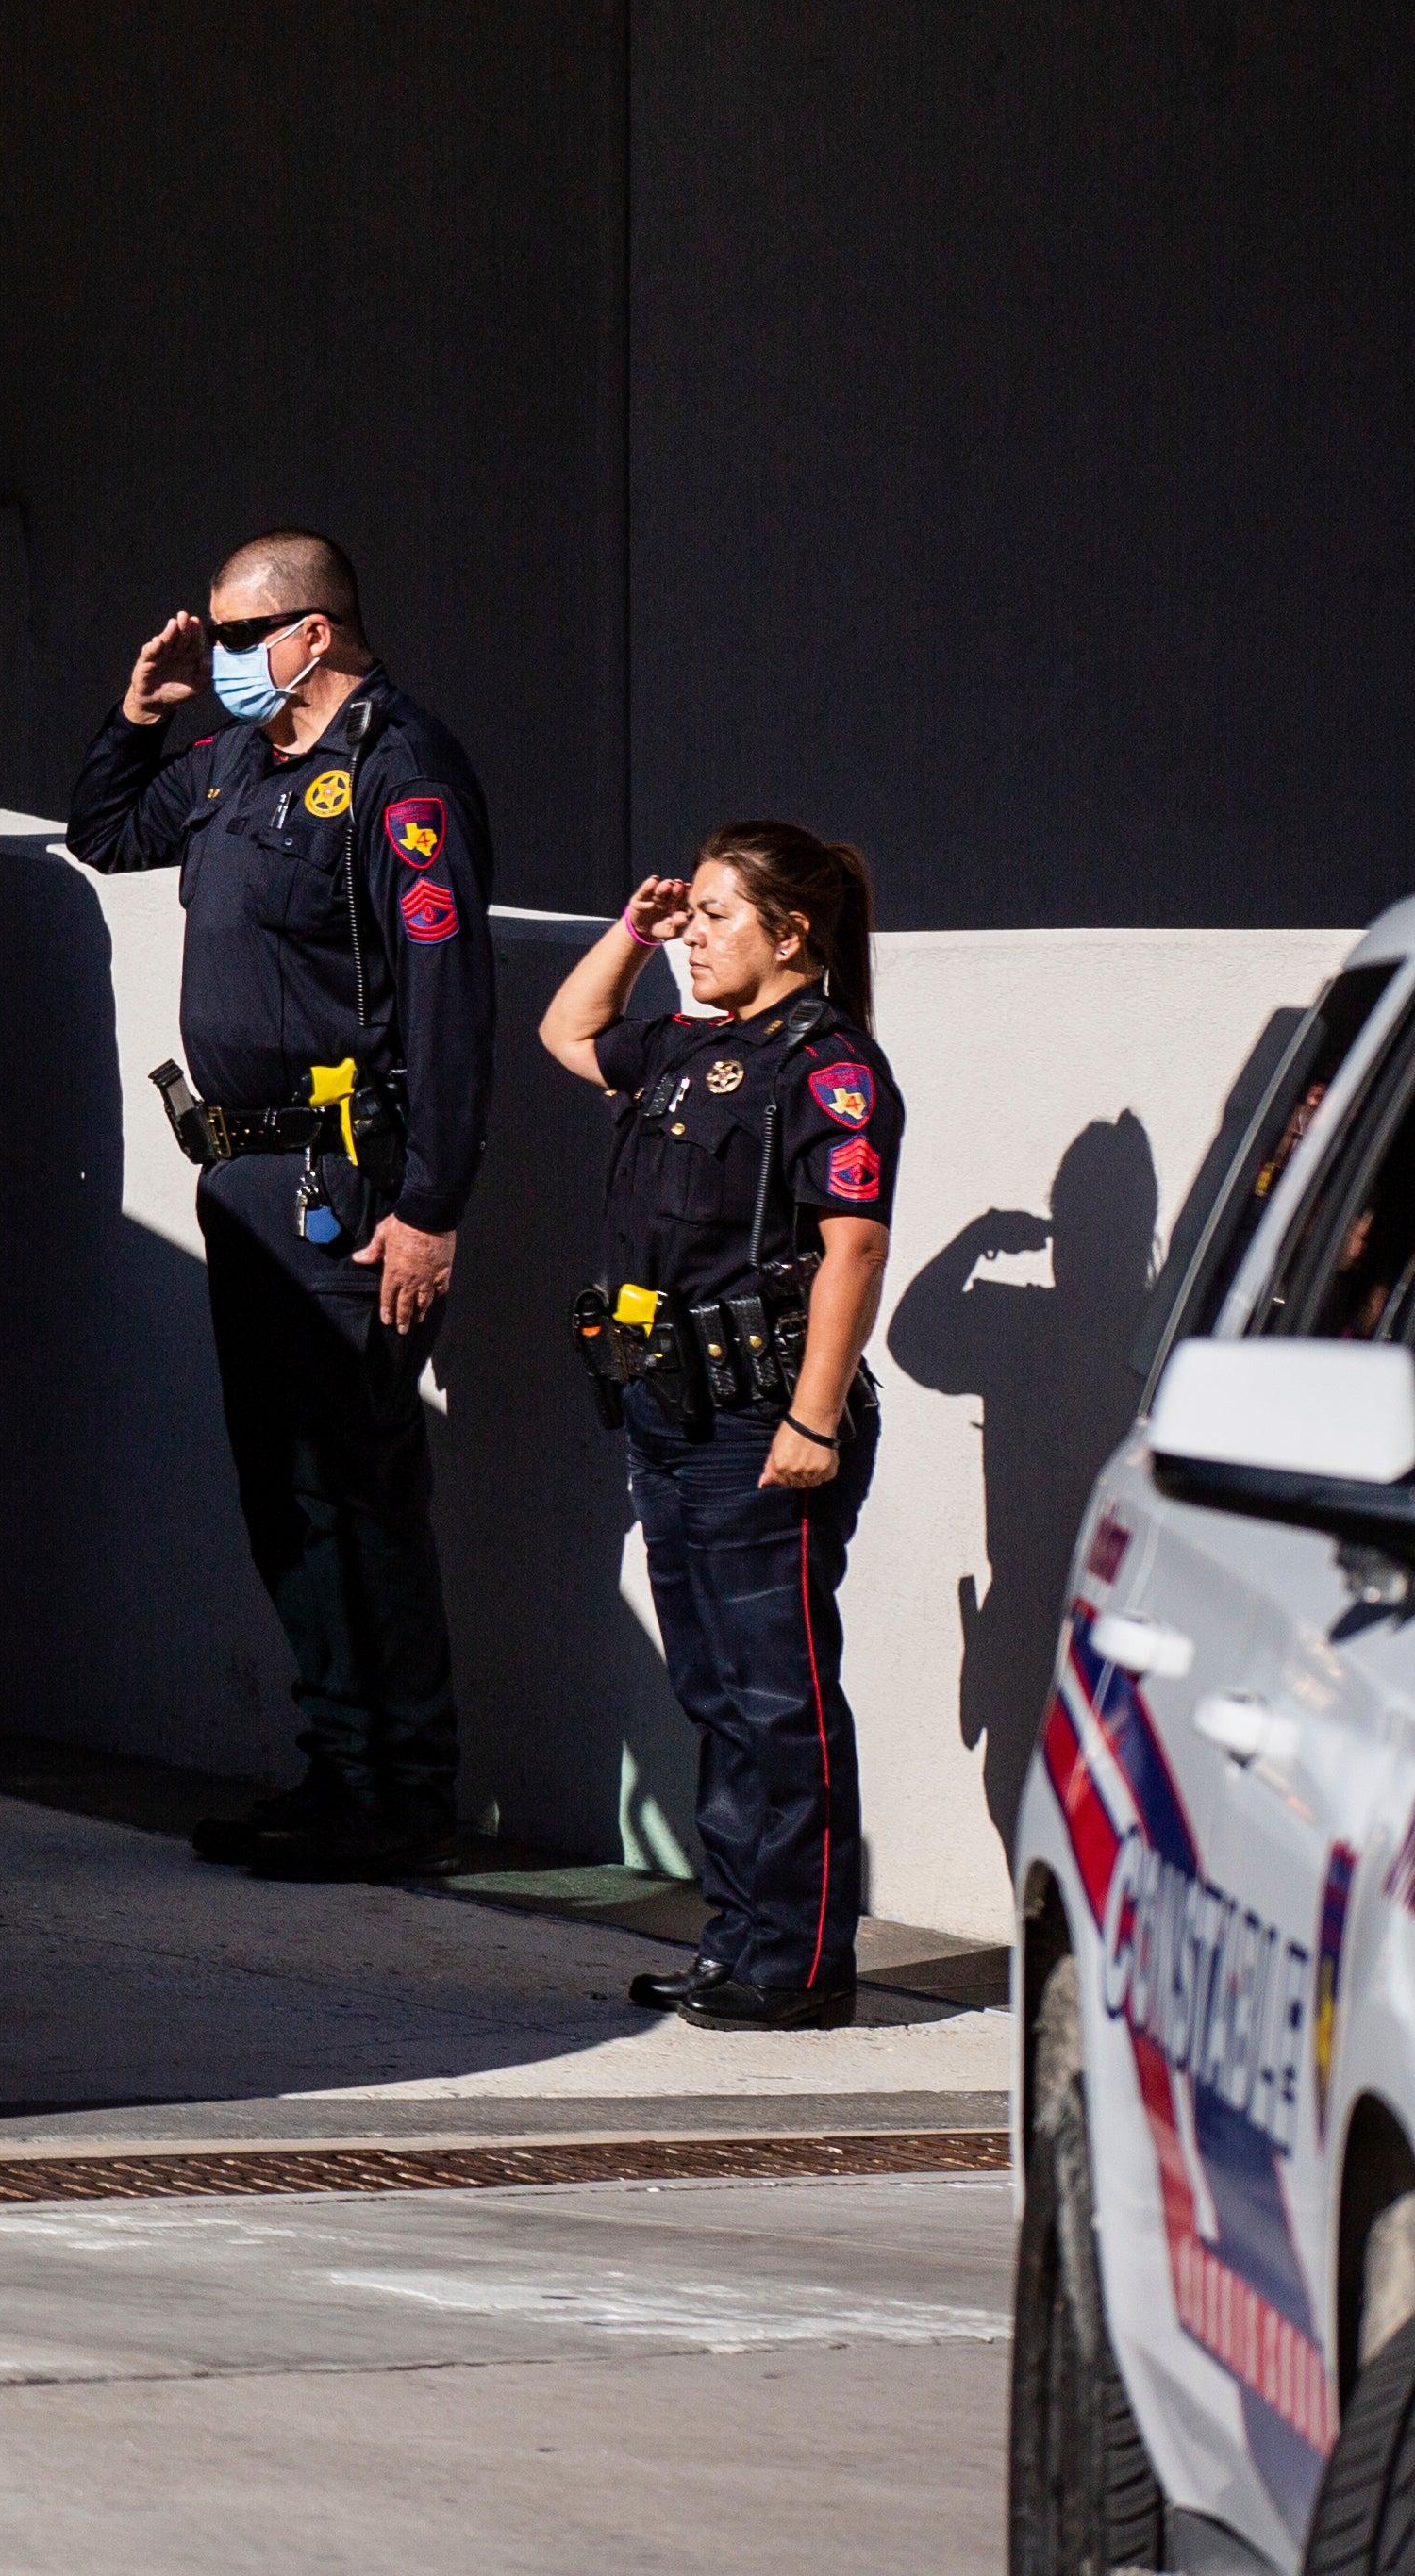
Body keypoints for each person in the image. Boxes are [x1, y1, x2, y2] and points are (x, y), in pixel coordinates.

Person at [63, 529, 495, 1881]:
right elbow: (103, 831)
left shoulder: (398, 773)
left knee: (353, 1487)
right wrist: (142, 713)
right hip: (243, 1174)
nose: (223, 660)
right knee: (283, 1494)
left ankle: (401, 1792)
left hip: (345, 1182)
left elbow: (451, 1004)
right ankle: (337, 1763)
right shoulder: (239, 757)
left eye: (238, 638)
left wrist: (430, 1206)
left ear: (312, 634)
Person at [535, 823, 897, 2030]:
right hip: (669, 1403)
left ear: (791, 934)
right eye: (688, 917)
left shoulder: (827, 1065)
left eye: (716, 917)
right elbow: (568, 1035)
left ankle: (798, 1965)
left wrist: (814, 1418)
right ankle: (740, 1940)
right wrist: (634, 933)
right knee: (712, 1688)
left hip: (761, 1424)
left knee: (778, 1696)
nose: (694, 937)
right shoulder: (690, 1045)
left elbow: (852, 1247)